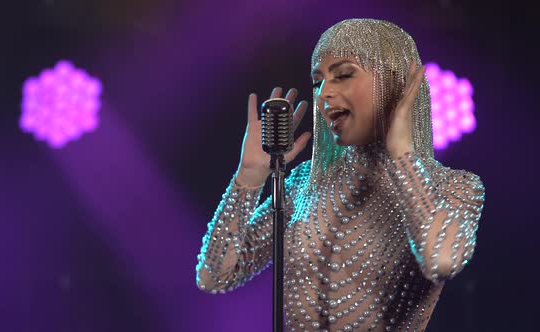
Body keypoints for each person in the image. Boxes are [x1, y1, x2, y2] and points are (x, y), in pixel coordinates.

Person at [195, 18, 485, 331]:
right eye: (318, 82)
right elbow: (214, 276)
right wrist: (249, 177)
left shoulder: (453, 186)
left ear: (394, 84)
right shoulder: (302, 184)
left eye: (343, 75)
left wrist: (401, 154)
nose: (323, 94)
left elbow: (442, 260)